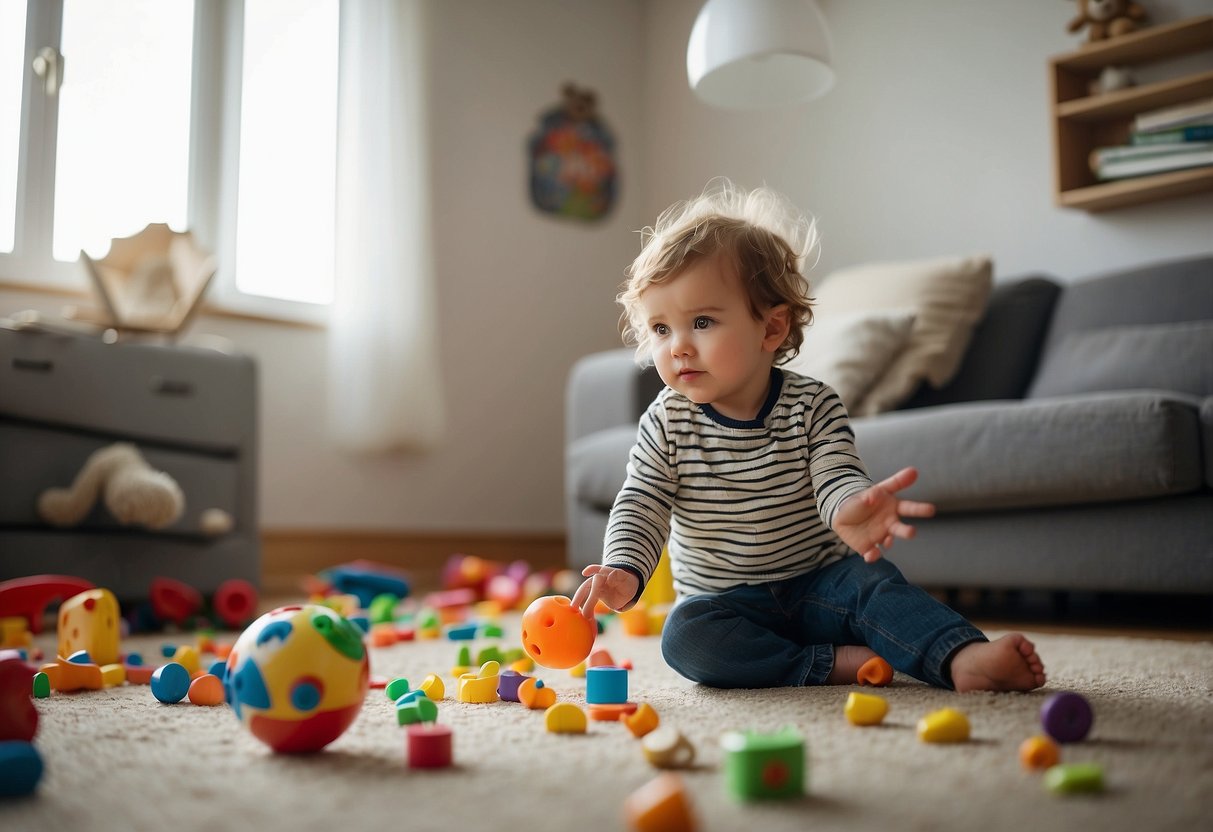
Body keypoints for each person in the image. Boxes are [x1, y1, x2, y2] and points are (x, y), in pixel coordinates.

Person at [570, 180, 1046, 692]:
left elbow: (835, 472)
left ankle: (963, 657)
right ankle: (829, 664)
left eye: (702, 322)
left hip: (821, 585)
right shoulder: (666, 422)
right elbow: (642, 500)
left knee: (876, 587)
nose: (678, 347)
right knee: (684, 638)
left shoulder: (813, 403)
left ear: (771, 330)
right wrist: (624, 568)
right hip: (725, 603)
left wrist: (848, 508)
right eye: (661, 329)